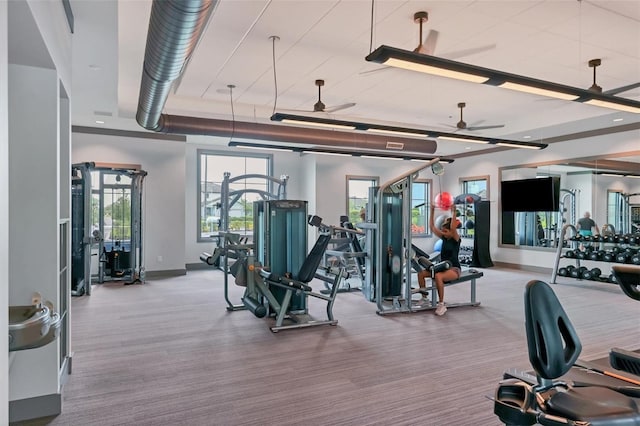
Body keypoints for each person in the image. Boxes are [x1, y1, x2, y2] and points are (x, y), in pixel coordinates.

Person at [416, 202, 462, 316]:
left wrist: (454, 211)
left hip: (454, 269)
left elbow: (452, 226)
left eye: (446, 231)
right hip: (442, 266)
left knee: (438, 276)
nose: (443, 233)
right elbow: (432, 227)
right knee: (421, 273)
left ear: (452, 231)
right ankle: (425, 298)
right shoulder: (444, 237)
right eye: (443, 231)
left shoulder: (456, 239)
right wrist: (431, 211)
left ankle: (441, 304)